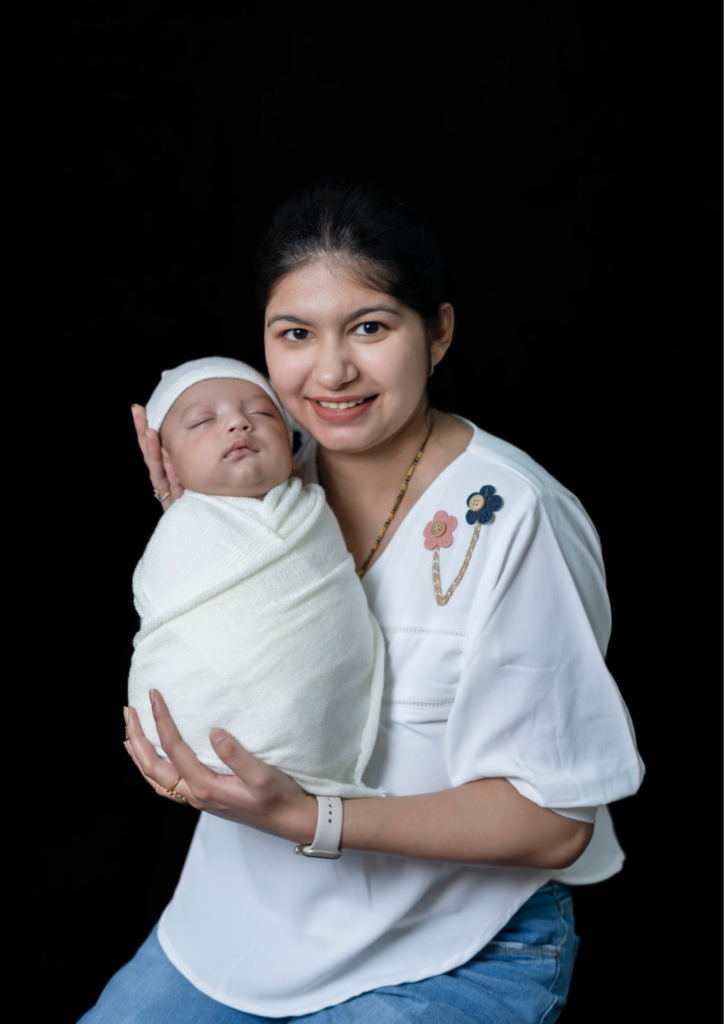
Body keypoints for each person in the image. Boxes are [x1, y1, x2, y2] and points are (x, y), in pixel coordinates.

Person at [83, 180, 644, 1023]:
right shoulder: (246, 492)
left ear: (440, 332)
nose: (332, 370)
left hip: (446, 951)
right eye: (296, 334)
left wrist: (311, 816)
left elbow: (555, 821)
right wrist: (203, 538)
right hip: (233, 930)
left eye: (371, 327)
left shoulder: (511, 515)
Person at [129, 356, 384, 797]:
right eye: (204, 420)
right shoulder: (181, 532)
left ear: (291, 444)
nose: (238, 425)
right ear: (168, 462)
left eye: (262, 414)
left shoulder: (310, 506)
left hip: (322, 745)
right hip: (206, 744)